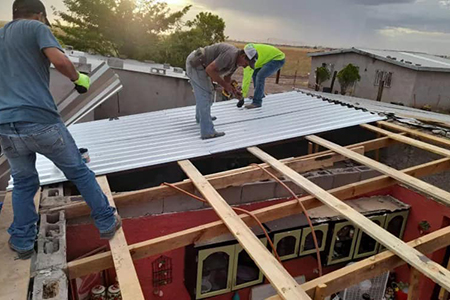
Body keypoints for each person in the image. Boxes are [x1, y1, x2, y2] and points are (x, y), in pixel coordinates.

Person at [0, 0, 121, 259]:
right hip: (40, 120)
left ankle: (22, 241)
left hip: (6, 126)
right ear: (40, 15)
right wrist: (78, 79)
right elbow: (60, 60)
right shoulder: (35, 27)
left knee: (23, 182)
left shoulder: (1, 35)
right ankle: (106, 222)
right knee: (78, 171)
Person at [186, 43, 258, 139]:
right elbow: (210, 70)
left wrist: (233, 91)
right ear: (243, 56)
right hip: (196, 65)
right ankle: (207, 132)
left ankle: (201, 118)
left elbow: (227, 77)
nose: (245, 67)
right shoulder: (230, 55)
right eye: (247, 63)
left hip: (202, 67)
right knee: (204, 96)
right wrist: (225, 85)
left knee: (208, 93)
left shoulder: (236, 62)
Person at [241, 44, 286, 109]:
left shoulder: (249, 58)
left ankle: (257, 102)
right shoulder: (249, 50)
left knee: (260, 76)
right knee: (255, 73)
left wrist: (242, 95)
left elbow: (246, 79)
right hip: (269, 58)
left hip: (277, 59)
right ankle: (260, 95)